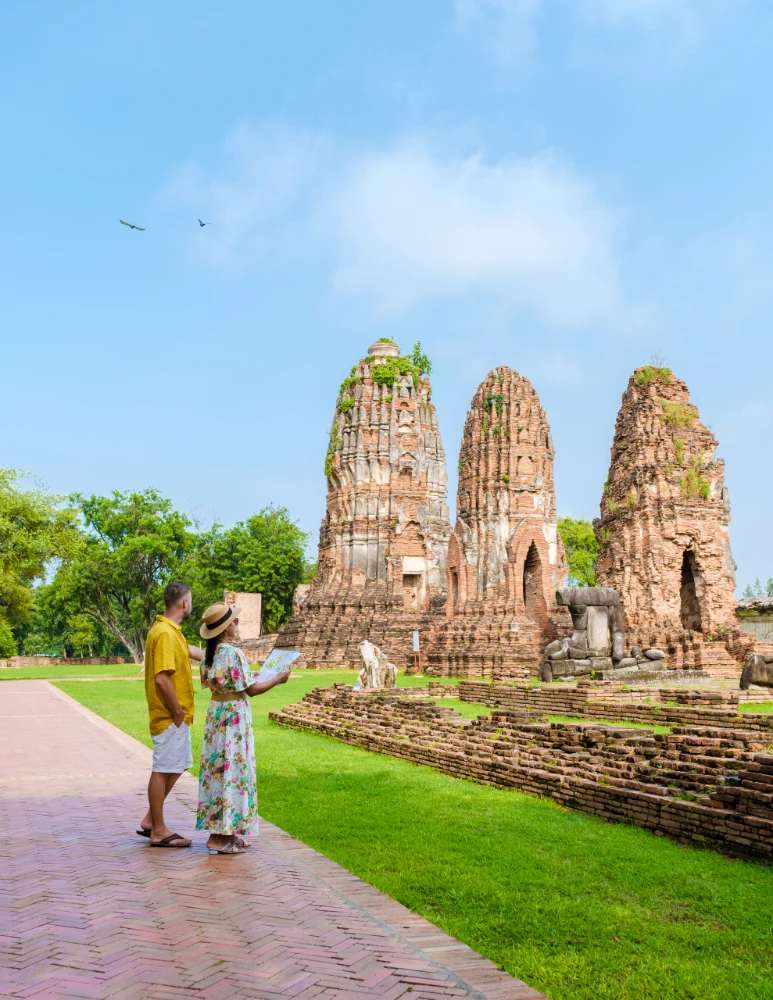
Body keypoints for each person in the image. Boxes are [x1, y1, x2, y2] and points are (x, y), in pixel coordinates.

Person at [196, 602, 289, 855]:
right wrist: (277, 679)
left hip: (217, 716)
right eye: (233, 622)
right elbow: (250, 690)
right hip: (234, 720)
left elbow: (229, 681)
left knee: (219, 771)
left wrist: (259, 675)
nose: (236, 625)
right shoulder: (233, 654)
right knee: (233, 771)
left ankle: (229, 832)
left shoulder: (210, 654)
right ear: (226, 628)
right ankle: (218, 838)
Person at [138, 581, 203, 848]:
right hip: (170, 715)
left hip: (177, 715)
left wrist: (224, 654)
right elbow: (162, 679)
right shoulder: (165, 633)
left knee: (177, 764)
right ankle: (158, 830)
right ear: (184, 603)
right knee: (163, 769)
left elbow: (190, 651)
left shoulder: (169, 631)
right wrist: (177, 711)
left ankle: (151, 819)